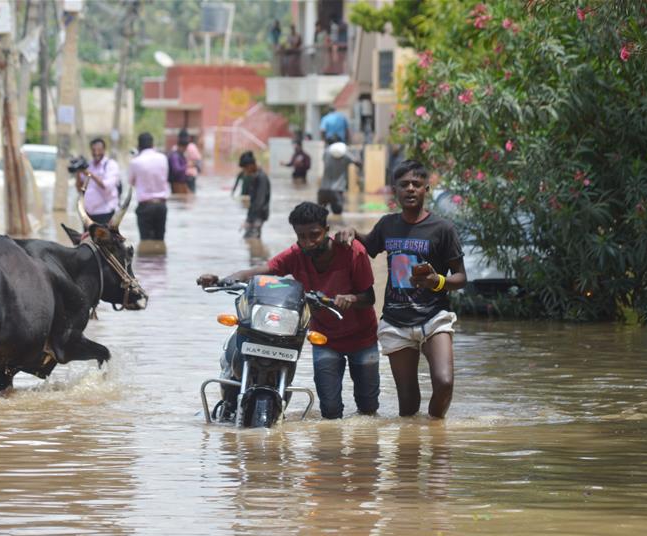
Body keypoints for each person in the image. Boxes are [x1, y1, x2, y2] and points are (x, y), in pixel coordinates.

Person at [196, 201, 379, 419]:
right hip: (325, 338)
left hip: (362, 337)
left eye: (314, 235)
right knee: (330, 410)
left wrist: (351, 298)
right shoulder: (295, 254)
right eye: (301, 237)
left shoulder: (353, 252)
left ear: (326, 231)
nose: (308, 243)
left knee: (368, 408)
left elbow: (370, 297)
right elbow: (263, 270)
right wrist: (225, 279)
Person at [335, 159, 467, 418]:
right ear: (394, 190)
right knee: (408, 403)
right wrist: (351, 230)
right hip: (396, 321)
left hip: (433, 317)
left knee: (444, 382)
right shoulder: (387, 225)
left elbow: (461, 278)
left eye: (416, 184)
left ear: (426, 189)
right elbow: (370, 246)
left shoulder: (443, 229)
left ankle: (436, 433)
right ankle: (410, 452)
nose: (410, 189)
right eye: (404, 184)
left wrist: (436, 281)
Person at [128, 132, 170, 241]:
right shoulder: (163, 158)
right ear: (153, 144)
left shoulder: (135, 162)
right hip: (161, 205)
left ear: (139, 146)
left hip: (145, 206)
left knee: (145, 241)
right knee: (160, 240)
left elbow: (131, 182)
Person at [74, 137, 121, 225]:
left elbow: (106, 186)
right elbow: (79, 189)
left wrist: (89, 174)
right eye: (93, 150)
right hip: (88, 214)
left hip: (106, 213)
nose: (96, 153)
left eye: (99, 150)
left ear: (104, 150)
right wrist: (78, 172)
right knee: (87, 239)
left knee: (104, 239)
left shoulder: (110, 165)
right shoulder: (88, 165)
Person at [318, 135, 360, 215]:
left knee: (319, 216)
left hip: (323, 190)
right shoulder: (345, 154)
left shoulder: (326, 152)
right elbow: (357, 163)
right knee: (338, 218)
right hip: (337, 191)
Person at [237, 151, 270, 239]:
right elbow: (253, 201)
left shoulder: (261, 177)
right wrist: (248, 219)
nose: (244, 171)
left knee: (252, 240)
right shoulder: (255, 176)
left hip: (259, 215)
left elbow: (259, 202)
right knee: (250, 240)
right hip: (255, 215)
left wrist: (249, 220)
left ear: (251, 166)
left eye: (245, 168)